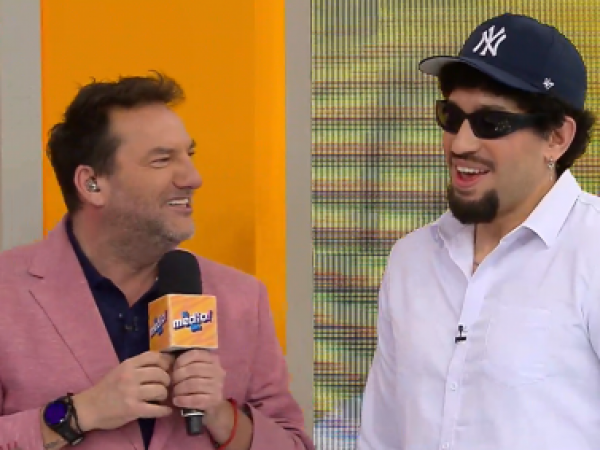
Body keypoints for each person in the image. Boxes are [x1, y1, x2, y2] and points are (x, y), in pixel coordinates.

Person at [0, 73, 314, 450]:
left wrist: (220, 414)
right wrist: (81, 413)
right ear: (92, 184)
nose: (193, 178)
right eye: (162, 160)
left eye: (189, 155)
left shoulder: (242, 298)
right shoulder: (8, 292)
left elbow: (294, 444)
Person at [357, 13, 599, 450]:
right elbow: (382, 435)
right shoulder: (411, 259)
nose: (460, 143)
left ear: (557, 138)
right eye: (451, 116)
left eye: (492, 122)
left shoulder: (592, 250)